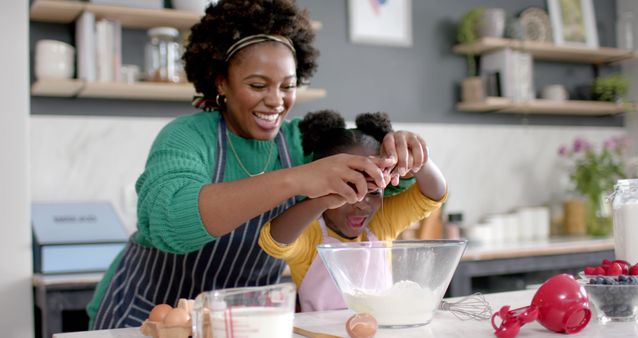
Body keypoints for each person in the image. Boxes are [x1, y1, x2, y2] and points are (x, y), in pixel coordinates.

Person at [87, 0, 419, 329]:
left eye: (287, 86)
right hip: (146, 315)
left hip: (242, 321)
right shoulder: (186, 137)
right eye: (258, 85)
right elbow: (169, 222)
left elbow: (390, 181)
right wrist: (296, 180)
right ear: (221, 83)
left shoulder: (300, 141)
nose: (276, 100)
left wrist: (397, 152)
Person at [258, 110, 448, 312]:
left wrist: (416, 156)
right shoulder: (311, 237)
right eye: (350, 187)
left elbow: (434, 195)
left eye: (374, 191)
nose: (361, 203)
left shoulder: (381, 224)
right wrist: (323, 200)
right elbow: (274, 240)